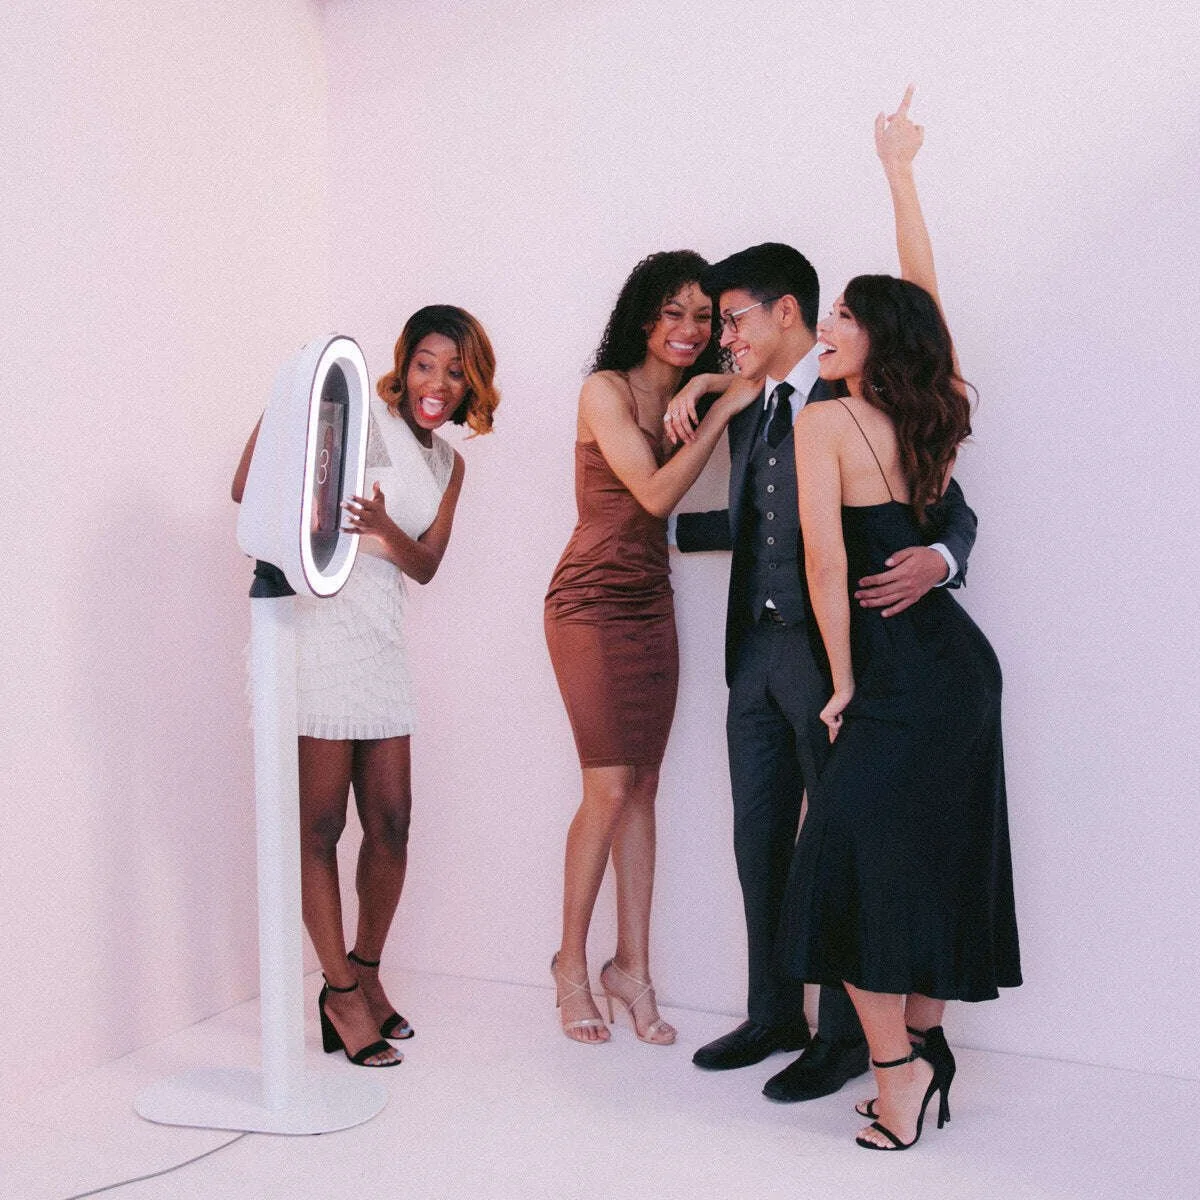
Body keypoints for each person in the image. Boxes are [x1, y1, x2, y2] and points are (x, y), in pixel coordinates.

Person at [664, 88, 978, 1102]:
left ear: (792, 313)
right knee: (759, 837)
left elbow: (939, 492)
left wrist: (946, 555)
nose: (720, 340)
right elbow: (764, 523)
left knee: (836, 847)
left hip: (843, 659)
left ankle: (848, 1039)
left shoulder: (858, 394)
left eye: (733, 322)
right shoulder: (753, 407)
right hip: (751, 660)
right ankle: (770, 1013)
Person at [777, 94, 1021, 1150]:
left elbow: (830, 567)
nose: (824, 328)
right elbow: (925, 303)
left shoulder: (826, 419)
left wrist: (838, 682)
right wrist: (900, 173)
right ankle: (924, 1048)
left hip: (895, 673)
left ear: (874, 338)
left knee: (842, 855)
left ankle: (896, 1074)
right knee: (928, 854)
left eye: (839, 315)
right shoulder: (930, 408)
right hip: (958, 671)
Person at [232, 305, 500, 1067]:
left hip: (380, 643)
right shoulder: (358, 413)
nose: (437, 384)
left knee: (392, 824)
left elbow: (426, 566)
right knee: (318, 829)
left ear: (471, 382)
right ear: (402, 362)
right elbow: (248, 486)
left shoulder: (451, 466)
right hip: (317, 635)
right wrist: (292, 398)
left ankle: (369, 971)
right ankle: (339, 992)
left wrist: (386, 529)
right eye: (425, 364)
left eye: (455, 372)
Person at [545, 251, 761, 1045]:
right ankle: (570, 963)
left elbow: (715, 479)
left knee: (643, 788)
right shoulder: (602, 391)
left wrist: (708, 387)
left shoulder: (684, 390)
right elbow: (658, 493)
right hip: (589, 602)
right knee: (605, 788)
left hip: (650, 601)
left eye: (704, 317)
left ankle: (631, 966)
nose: (690, 329)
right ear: (644, 316)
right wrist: (719, 403)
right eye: (674, 312)